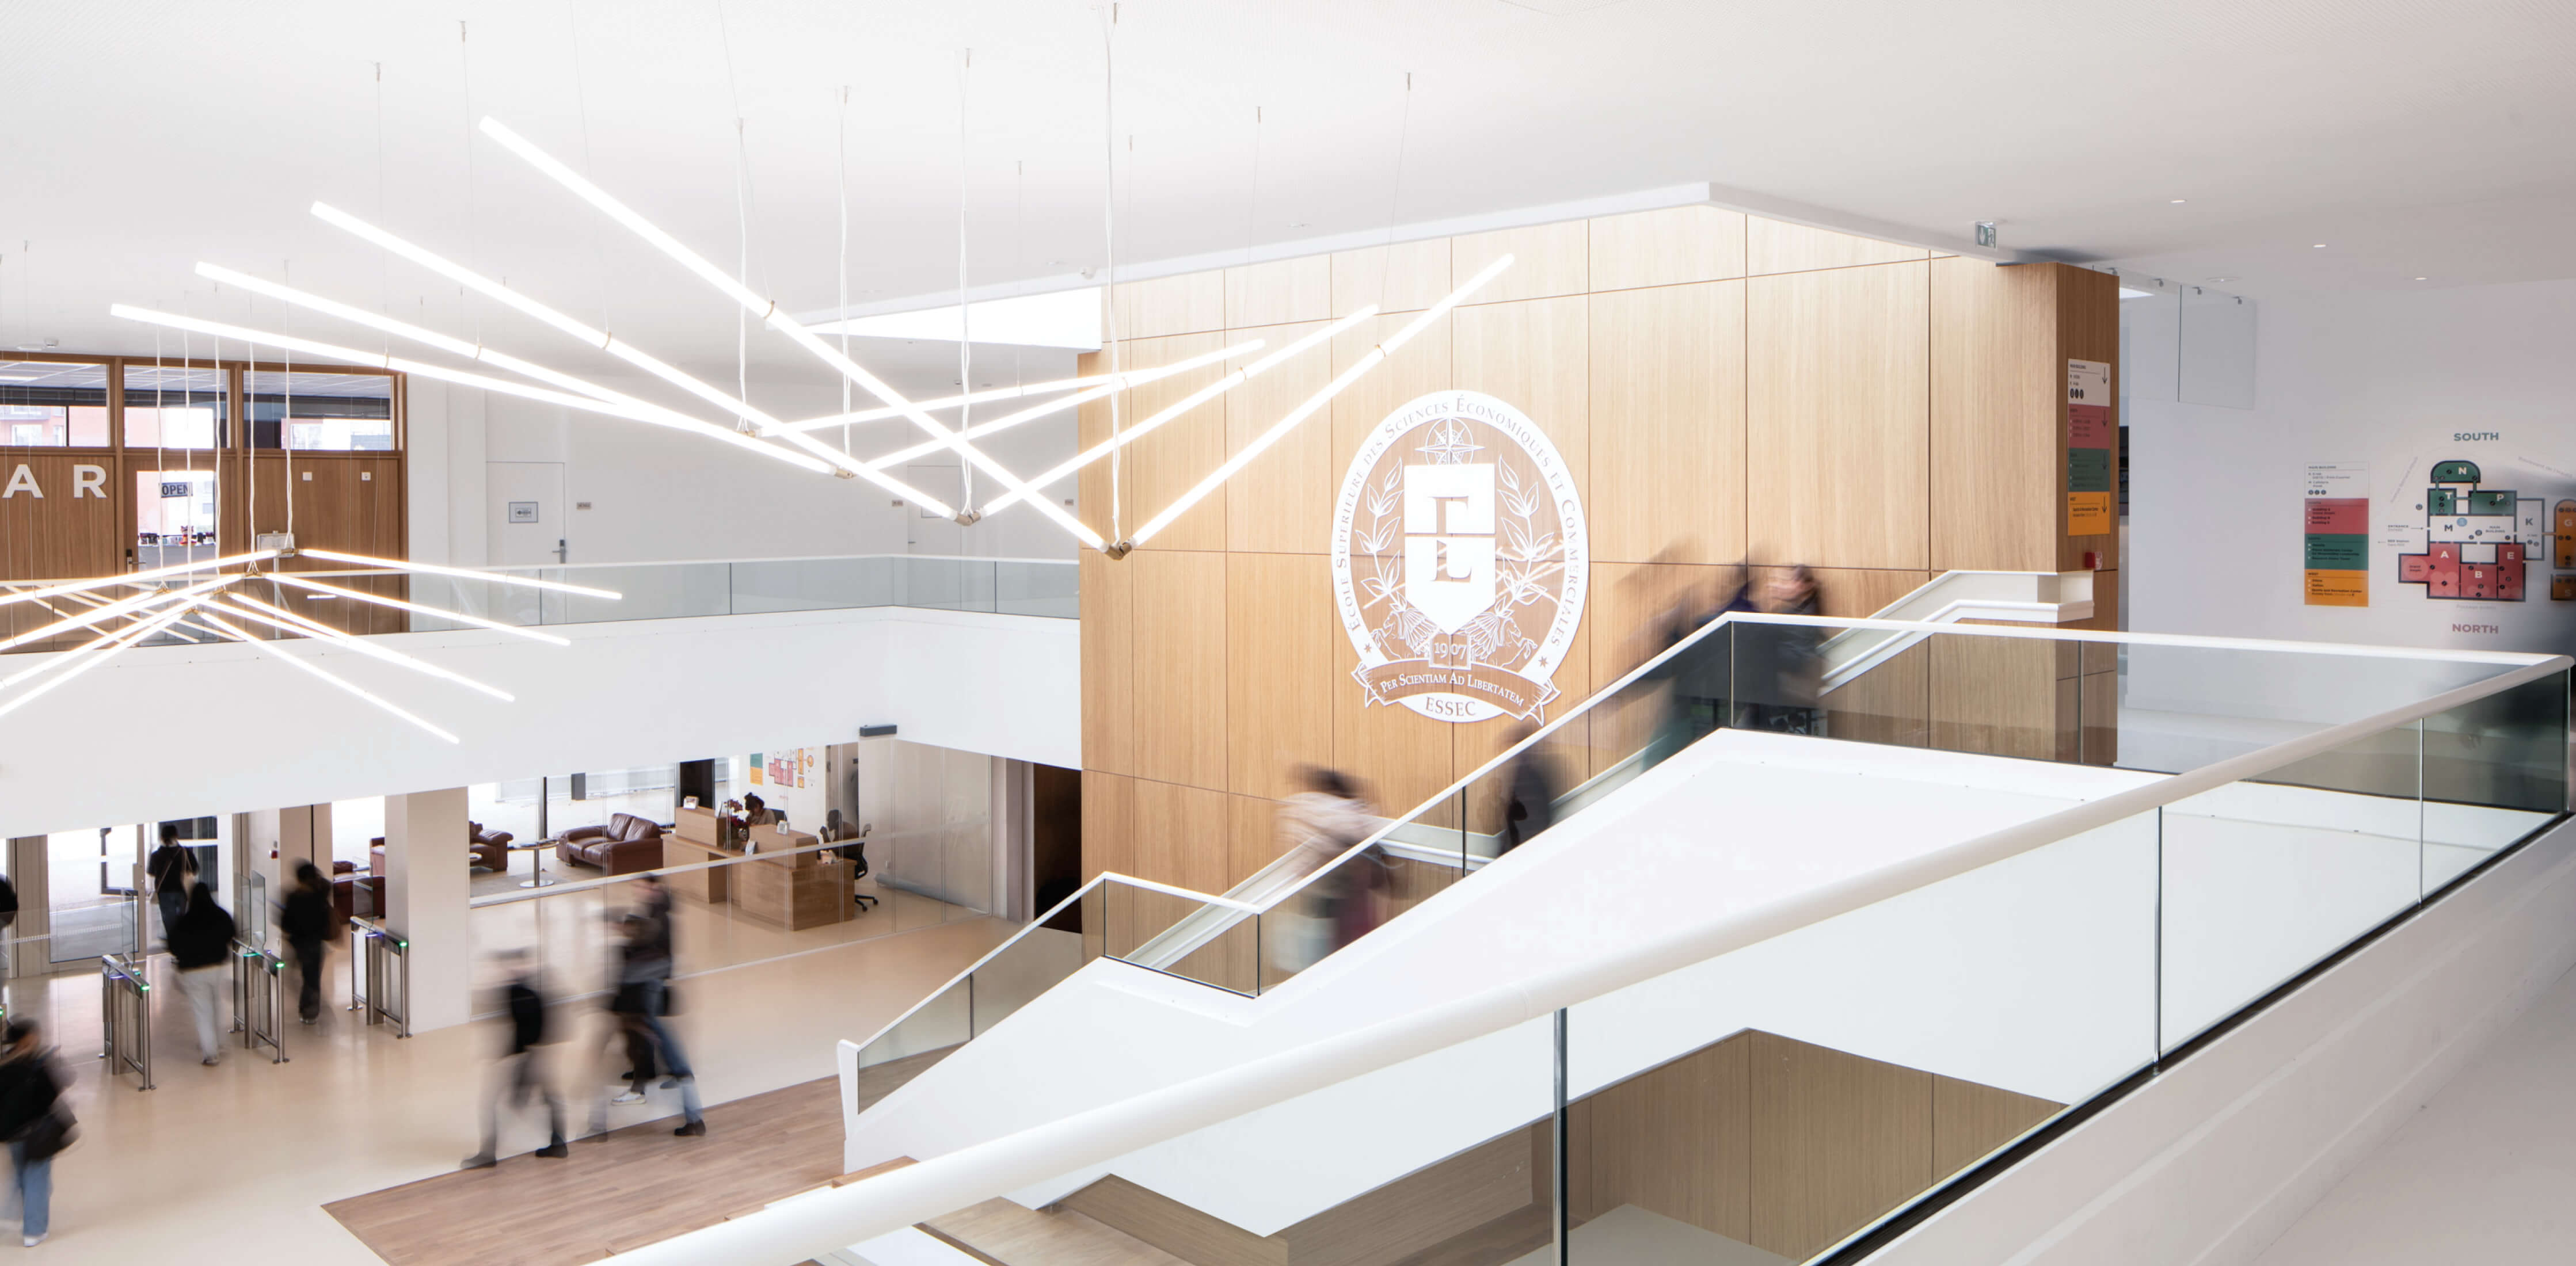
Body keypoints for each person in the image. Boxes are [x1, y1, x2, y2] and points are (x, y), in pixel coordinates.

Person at [463, 950, 568, 1169]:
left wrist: (509, 1057)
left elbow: (529, 1031)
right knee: (548, 1098)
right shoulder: (522, 990)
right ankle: (558, 1143)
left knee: (492, 1102)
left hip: (529, 1057)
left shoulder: (523, 993)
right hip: (532, 1056)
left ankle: (488, 1154)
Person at [1266, 768, 1374, 977]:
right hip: (1340, 894)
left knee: (1317, 945)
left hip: (1314, 891)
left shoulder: (1301, 811)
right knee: (1343, 947)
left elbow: (1298, 854)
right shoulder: (1350, 815)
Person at [611, 909, 703, 1137]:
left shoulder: (638, 966)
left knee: (681, 1072)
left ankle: (694, 1120)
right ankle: (694, 1119)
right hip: (658, 1026)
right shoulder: (657, 960)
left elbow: (636, 1000)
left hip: (653, 1027)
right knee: (682, 1072)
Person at [0, 1019, 71, 1247]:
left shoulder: (5, 1064)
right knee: (37, 1178)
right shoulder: (35, 1065)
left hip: (11, 1133)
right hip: (37, 1131)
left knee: (21, 1173)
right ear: (27, 1039)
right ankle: (34, 1230)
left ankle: (11, 1215)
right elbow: (51, 1093)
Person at [168, 880, 236, 1066]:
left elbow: (173, 946)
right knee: (216, 1005)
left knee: (202, 1012)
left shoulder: (184, 921)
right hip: (217, 967)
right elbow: (231, 933)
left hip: (193, 971)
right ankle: (219, 1042)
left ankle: (211, 1054)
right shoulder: (220, 915)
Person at [1497, 722, 1562, 856]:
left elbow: (1523, 813)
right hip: (1529, 842)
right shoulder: (1535, 771)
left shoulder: (1526, 773)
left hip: (1525, 844)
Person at [280, 861, 334, 1024]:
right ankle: (310, 1011)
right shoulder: (320, 895)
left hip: (299, 943)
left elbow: (285, 923)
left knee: (306, 977)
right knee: (312, 977)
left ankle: (309, 1010)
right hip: (315, 943)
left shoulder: (294, 897)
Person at [146, 823, 195, 947]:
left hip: (164, 892)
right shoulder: (185, 852)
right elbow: (194, 869)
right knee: (181, 918)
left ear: (162, 837)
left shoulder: (156, 855)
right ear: (176, 836)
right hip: (182, 891)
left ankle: (175, 944)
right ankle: (182, 943)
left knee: (169, 920)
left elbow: (151, 872)